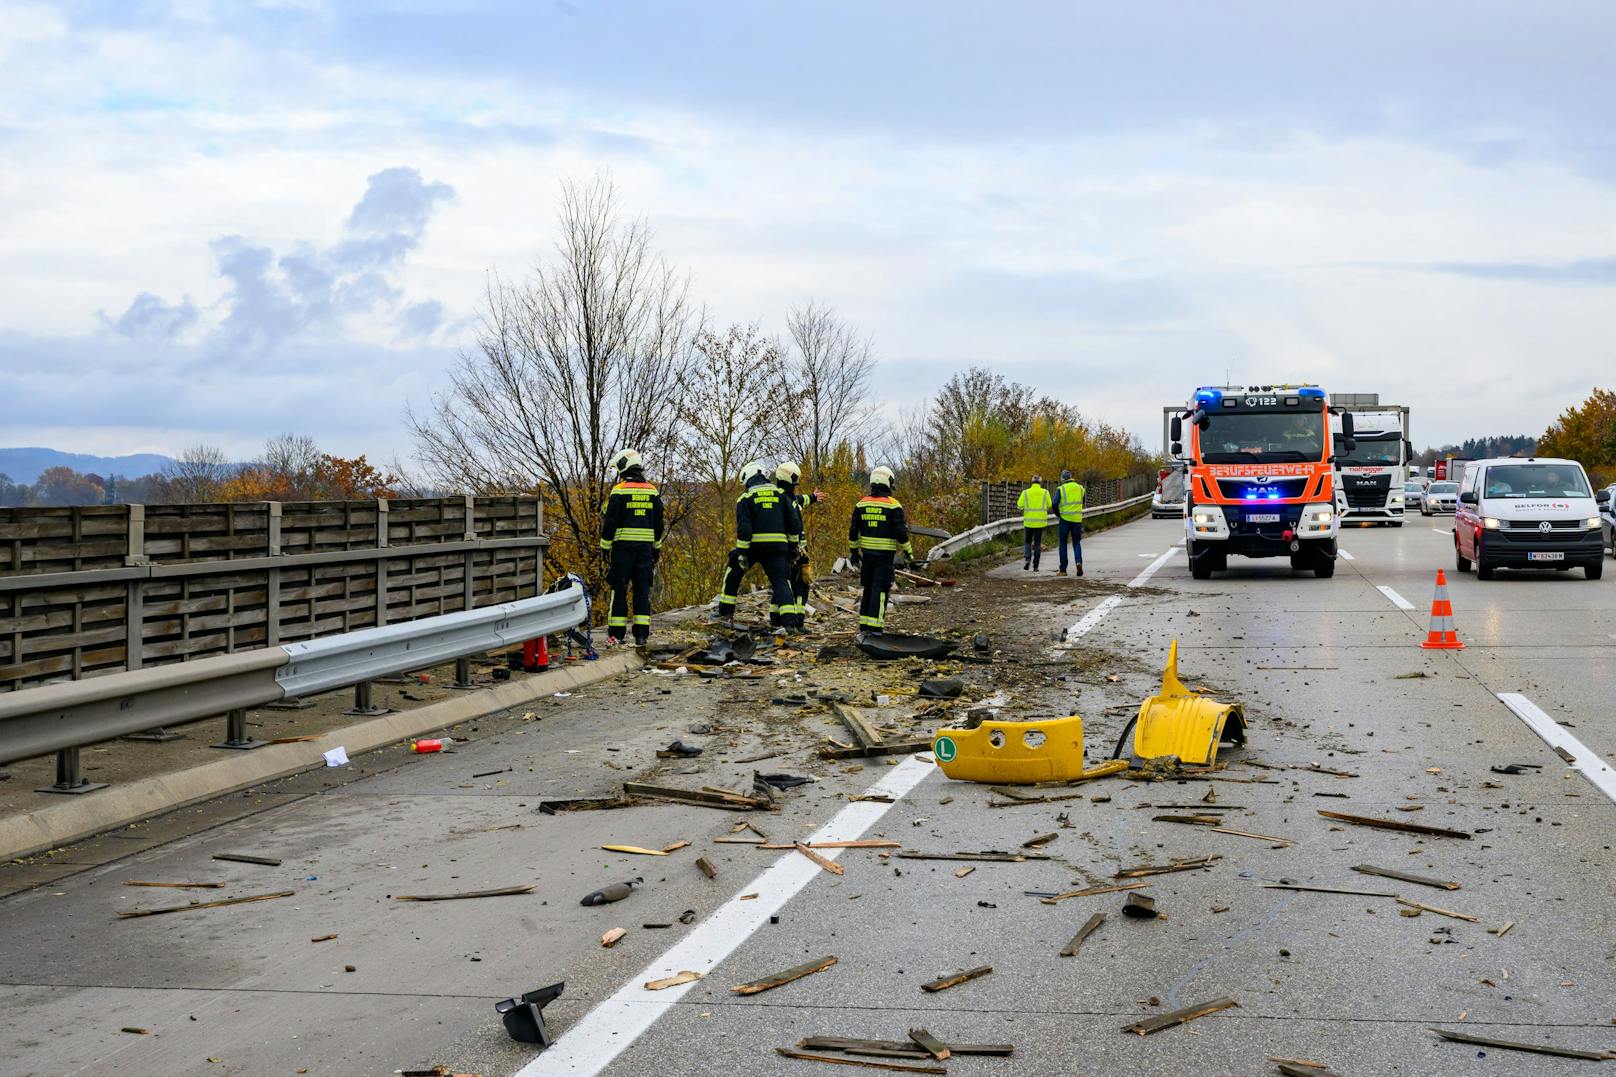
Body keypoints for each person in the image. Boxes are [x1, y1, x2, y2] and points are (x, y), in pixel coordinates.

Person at [599, 448, 663, 646]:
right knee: (642, 591)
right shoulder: (652, 491)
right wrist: (656, 548)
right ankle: (641, 635)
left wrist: (604, 547)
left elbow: (610, 522)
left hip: (622, 550)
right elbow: (658, 523)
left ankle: (616, 635)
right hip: (645, 551)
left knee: (619, 590)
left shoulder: (619, 490)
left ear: (624, 466)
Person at [733, 460, 804, 633]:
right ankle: (789, 624)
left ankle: (724, 611)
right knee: (782, 582)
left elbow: (745, 528)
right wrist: (793, 548)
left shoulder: (746, 498)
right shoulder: (781, 495)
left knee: (733, 572)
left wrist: (742, 552)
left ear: (747, 478)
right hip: (778, 549)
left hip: (754, 548)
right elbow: (793, 523)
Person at [848, 466, 912, 634]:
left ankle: (864, 627)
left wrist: (854, 553)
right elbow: (900, 532)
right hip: (884, 557)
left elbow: (853, 531)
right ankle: (876, 629)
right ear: (887, 482)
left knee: (868, 589)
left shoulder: (861, 504)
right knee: (880, 590)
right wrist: (908, 552)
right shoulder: (893, 505)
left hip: (867, 556)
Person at [775, 461, 822, 619]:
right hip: (791, 550)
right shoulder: (784, 500)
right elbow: (795, 503)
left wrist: (814, 497)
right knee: (795, 584)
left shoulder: (784, 497)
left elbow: (800, 500)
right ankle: (795, 620)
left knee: (786, 583)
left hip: (791, 550)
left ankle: (779, 619)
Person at [1054, 469, 1085, 577]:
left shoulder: (1061, 489)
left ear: (1062, 478)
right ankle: (1079, 562)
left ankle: (1063, 570)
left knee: (1063, 543)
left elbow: (1054, 503)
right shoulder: (1080, 488)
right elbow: (1083, 501)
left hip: (1065, 519)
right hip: (1077, 519)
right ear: (1071, 477)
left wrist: (1058, 514)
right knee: (1076, 543)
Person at [1017, 475, 1052, 571]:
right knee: (1037, 544)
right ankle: (1035, 566)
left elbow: (1019, 505)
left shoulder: (1025, 493)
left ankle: (1027, 559)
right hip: (1040, 523)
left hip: (1028, 522)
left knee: (1027, 542)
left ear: (1031, 482)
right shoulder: (1045, 492)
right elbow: (1050, 504)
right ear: (1041, 483)